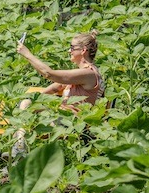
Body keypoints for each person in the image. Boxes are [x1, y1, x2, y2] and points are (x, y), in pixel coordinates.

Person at [10, 30, 104, 158]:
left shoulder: (89, 74)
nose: (69, 51)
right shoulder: (79, 75)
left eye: (72, 47)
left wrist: (28, 55)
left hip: (70, 122)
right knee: (26, 104)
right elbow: (55, 86)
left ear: (83, 50)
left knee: (27, 126)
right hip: (59, 116)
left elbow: (49, 74)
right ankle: (19, 149)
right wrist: (33, 101)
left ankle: (18, 153)